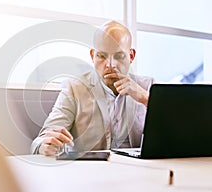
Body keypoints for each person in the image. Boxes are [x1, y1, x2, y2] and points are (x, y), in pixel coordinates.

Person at [31, 20, 154, 156]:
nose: (110, 65)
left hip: (141, 169)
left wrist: (146, 99)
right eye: (102, 56)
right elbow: (42, 139)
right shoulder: (74, 88)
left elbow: (178, 132)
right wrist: (44, 146)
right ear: (92, 56)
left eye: (119, 56)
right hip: (91, 170)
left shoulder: (148, 87)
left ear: (131, 56)